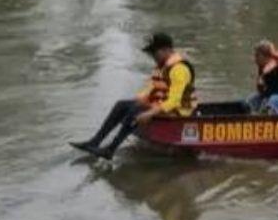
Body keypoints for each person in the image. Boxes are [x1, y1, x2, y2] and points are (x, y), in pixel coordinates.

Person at [71, 32, 197, 160]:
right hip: (164, 106)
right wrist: (139, 100)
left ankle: (111, 149)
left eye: (154, 52)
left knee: (135, 110)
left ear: (167, 50)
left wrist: (149, 113)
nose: (152, 56)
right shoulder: (163, 66)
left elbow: (174, 100)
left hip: (180, 111)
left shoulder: (179, 69)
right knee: (122, 105)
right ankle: (95, 142)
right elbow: (151, 88)